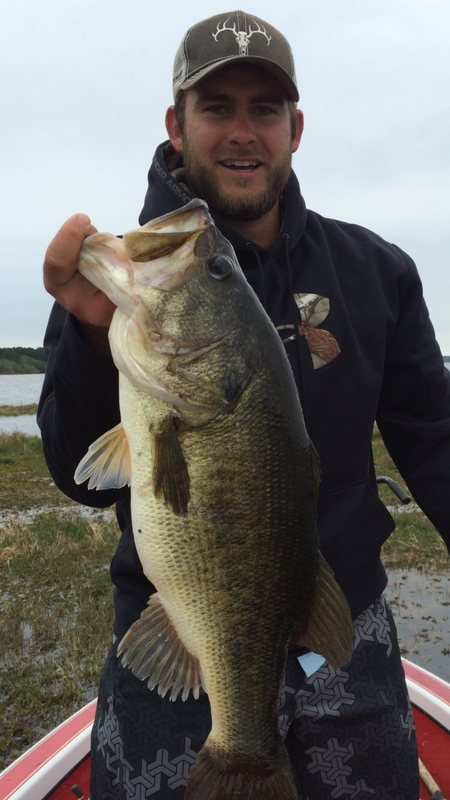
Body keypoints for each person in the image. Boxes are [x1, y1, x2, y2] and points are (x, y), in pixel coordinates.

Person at [38, 10, 450, 800]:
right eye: (216, 107)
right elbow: (74, 474)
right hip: (181, 629)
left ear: (295, 128)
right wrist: (89, 342)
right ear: (176, 124)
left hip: (339, 635)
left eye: (264, 109)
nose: (241, 132)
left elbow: (435, 439)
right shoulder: (128, 285)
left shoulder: (377, 270)